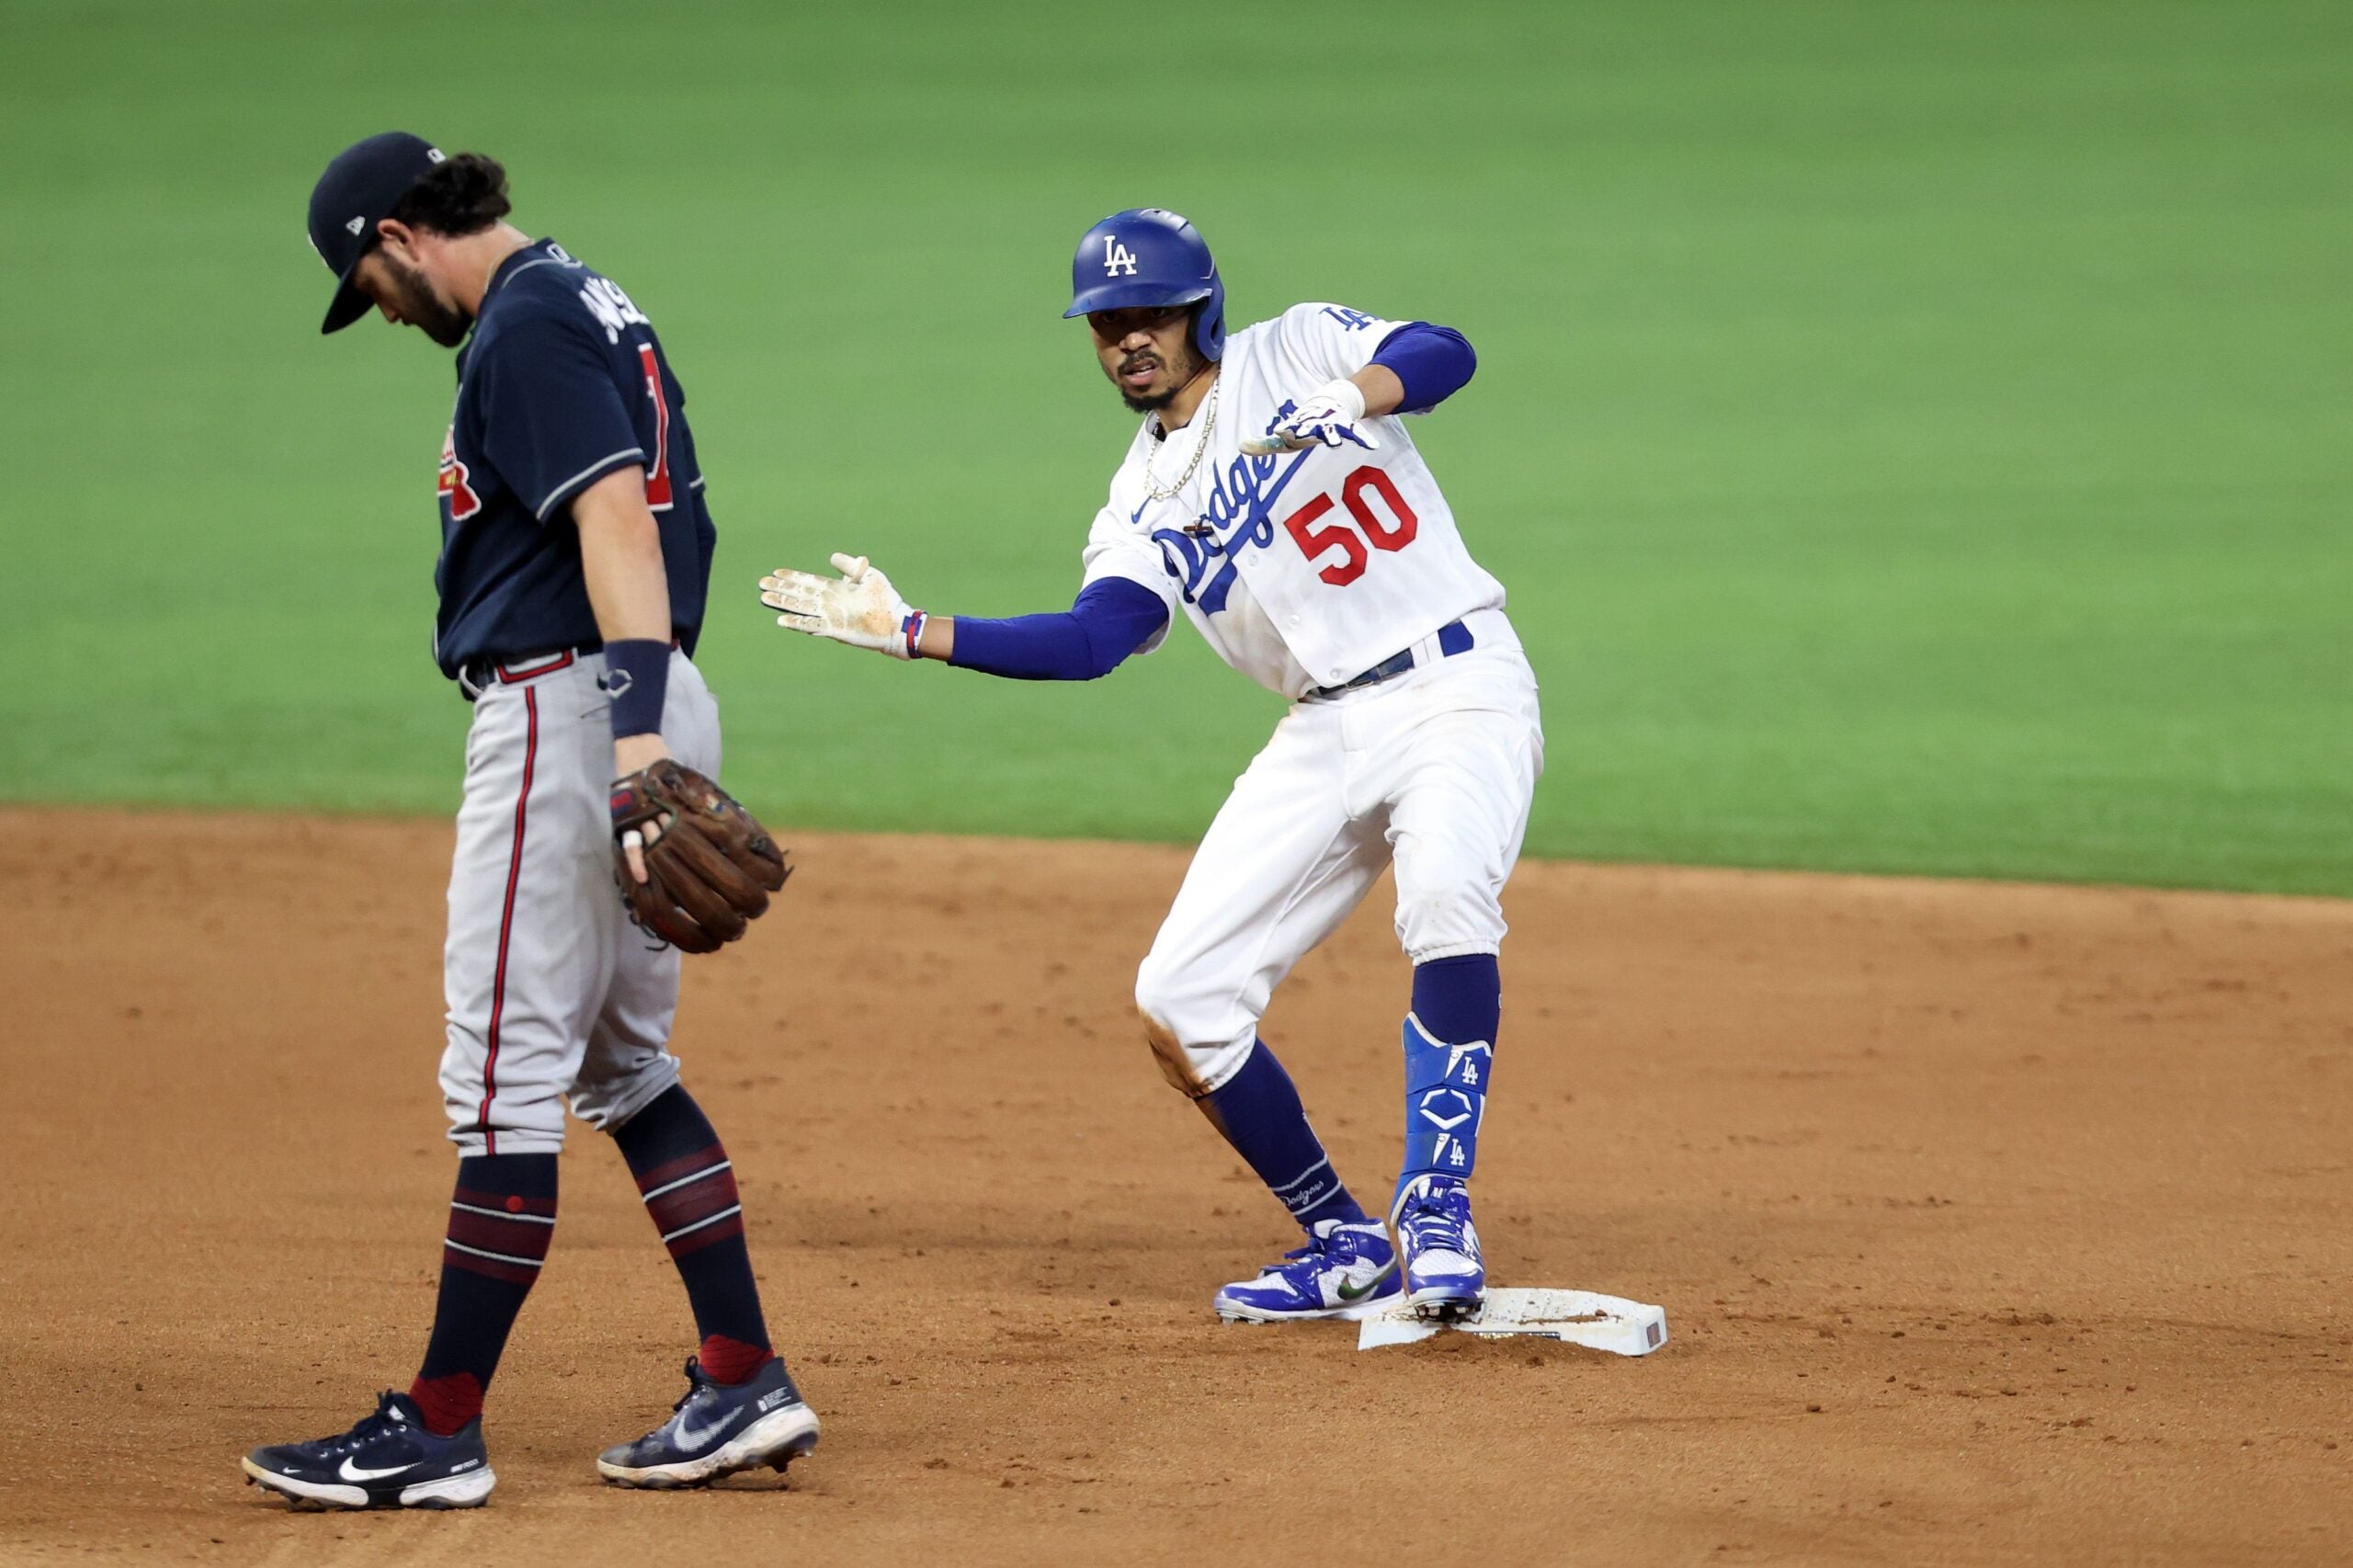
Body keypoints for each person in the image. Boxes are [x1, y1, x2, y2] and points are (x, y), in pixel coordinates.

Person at [759, 208, 1541, 1325]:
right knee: (1181, 997)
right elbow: (1095, 638)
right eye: (1108, 322)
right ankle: (1343, 1237)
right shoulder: (1136, 498)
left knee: (1448, 893)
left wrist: (1358, 393)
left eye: (1152, 316)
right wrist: (917, 628)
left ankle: (1435, 1206)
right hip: (1322, 729)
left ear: (1201, 311)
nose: (1129, 338)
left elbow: (1445, 351)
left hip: (1456, 682)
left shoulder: (1298, 346)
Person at [242, 132, 816, 1511]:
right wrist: (650, 723)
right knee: (624, 1062)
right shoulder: (585, 298)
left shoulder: (525, 324)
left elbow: (614, 516)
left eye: (368, 282)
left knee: (502, 1068)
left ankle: (437, 1430)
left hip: (577, 706)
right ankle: (743, 1374)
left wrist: (624, 747)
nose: (379, 310)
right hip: (641, 691)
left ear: (397, 236)